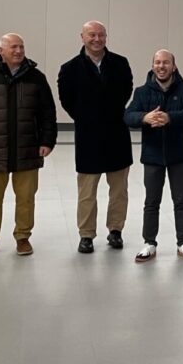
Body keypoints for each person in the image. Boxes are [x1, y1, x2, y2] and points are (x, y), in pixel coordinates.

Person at [0, 33, 57, 257]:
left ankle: (23, 237)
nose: (19, 51)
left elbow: (47, 112)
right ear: (1, 51)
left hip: (28, 147)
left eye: (21, 47)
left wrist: (47, 140)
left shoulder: (36, 77)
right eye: (13, 47)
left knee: (26, 197)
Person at [58, 21, 133, 254]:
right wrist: (85, 117)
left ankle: (116, 230)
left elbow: (126, 91)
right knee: (87, 191)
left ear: (106, 37)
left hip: (117, 134)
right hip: (88, 137)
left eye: (101, 35)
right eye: (92, 35)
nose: (97, 39)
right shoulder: (69, 68)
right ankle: (86, 234)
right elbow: (66, 99)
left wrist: (110, 113)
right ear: (82, 37)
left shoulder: (120, 63)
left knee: (119, 190)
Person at [125, 50, 183, 263]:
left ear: (173, 66)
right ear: (152, 66)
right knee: (151, 201)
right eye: (157, 62)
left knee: (181, 200)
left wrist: (169, 118)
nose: (161, 66)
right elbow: (128, 116)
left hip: (179, 155)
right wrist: (145, 117)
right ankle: (149, 243)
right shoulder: (142, 92)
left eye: (166, 62)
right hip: (153, 155)